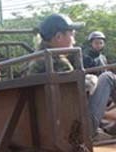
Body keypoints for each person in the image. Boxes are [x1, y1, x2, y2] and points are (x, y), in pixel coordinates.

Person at [28, 13, 116, 141]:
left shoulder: (36, 58)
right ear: (58, 37)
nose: (74, 41)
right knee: (107, 77)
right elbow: (74, 96)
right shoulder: (57, 61)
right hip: (74, 127)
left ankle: (104, 125)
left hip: (48, 124)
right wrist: (89, 81)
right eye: (72, 35)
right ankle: (99, 127)